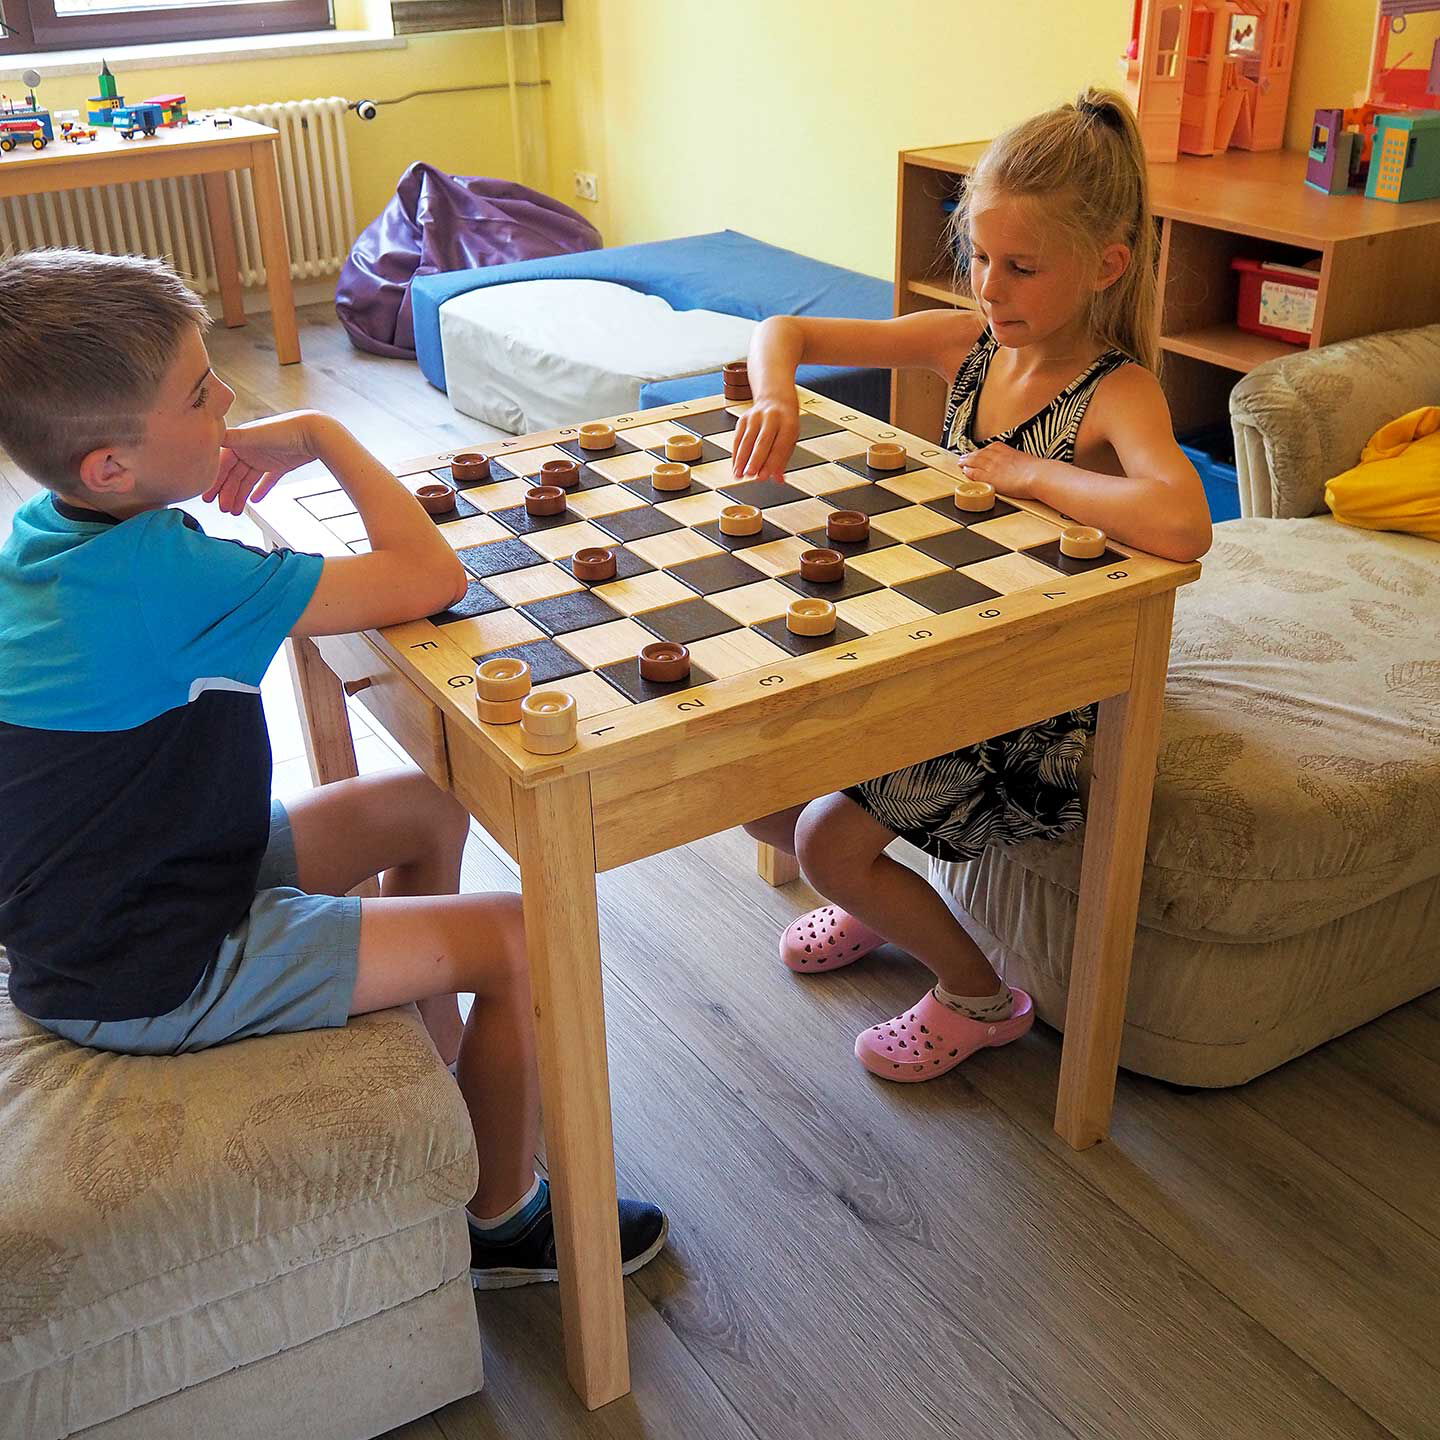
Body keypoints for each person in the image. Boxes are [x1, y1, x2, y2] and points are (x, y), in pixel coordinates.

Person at [0, 248, 667, 1285]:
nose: (228, 399)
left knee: (425, 808)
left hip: (138, 884)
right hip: (146, 966)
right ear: (110, 468)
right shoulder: (161, 580)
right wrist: (323, 432)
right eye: (198, 392)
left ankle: (450, 1062)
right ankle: (502, 1221)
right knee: (525, 937)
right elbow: (430, 575)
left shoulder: (53, 529)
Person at [730, 89, 1213, 1083]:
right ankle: (877, 893)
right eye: (981, 258)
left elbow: (1183, 520)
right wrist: (777, 392)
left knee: (820, 837)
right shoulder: (971, 344)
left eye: (1022, 266)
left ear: (1107, 267)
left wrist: (1031, 471)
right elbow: (781, 329)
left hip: (1038, 708)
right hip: (950, 654)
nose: (990, 287)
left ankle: (979, 997)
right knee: (751, 790)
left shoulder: (1116, 392)